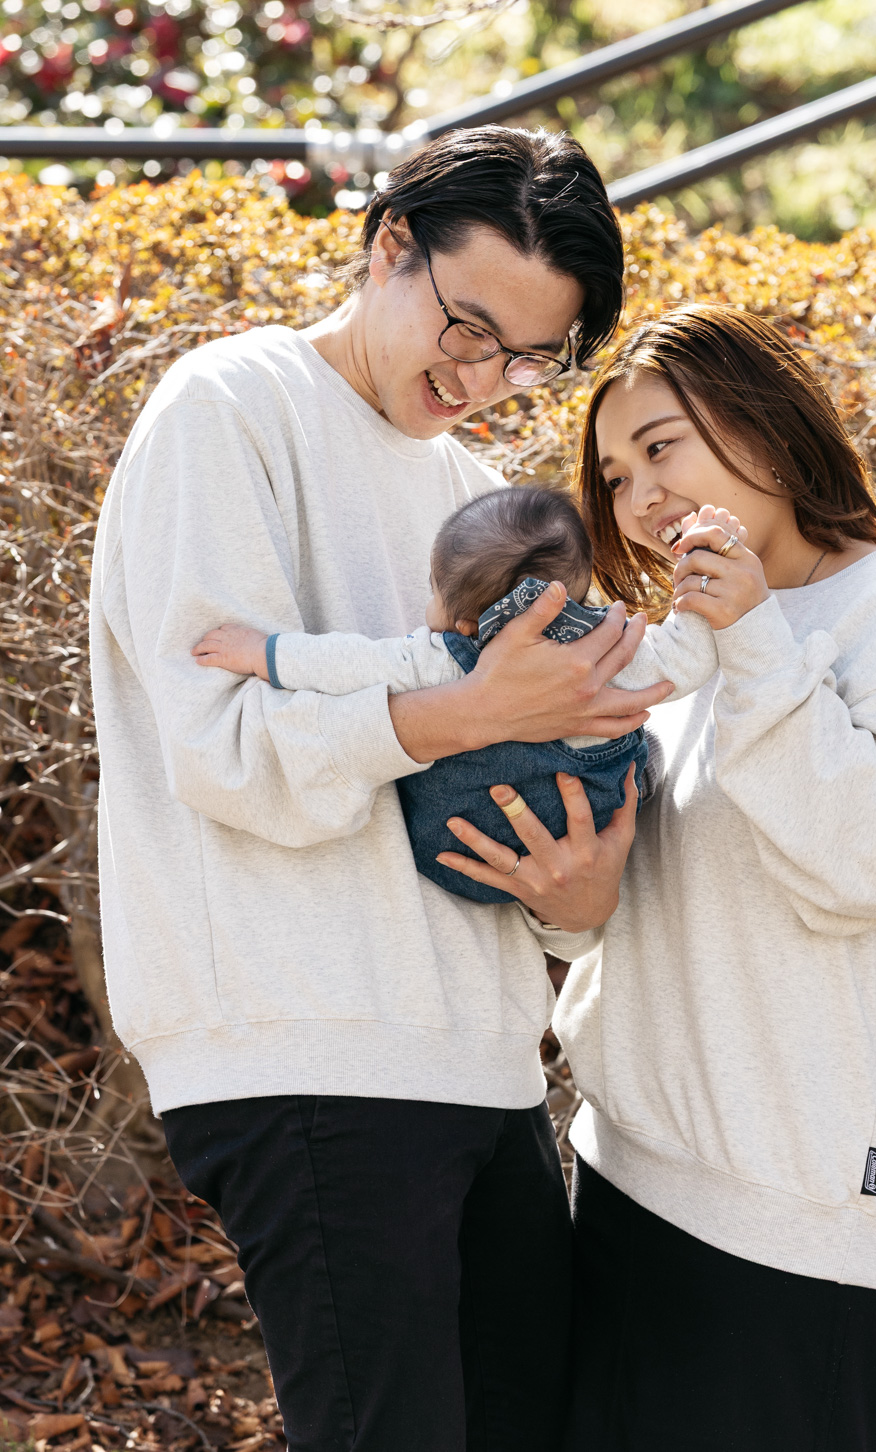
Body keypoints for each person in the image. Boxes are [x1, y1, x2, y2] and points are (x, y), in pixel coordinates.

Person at [89, 126, 675, 1452]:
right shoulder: (228, 407)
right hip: (306, 1050)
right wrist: (457, 711)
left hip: (486, 1068)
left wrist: (578, 902)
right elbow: (224, 750)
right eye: (468, 328)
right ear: (388, 245)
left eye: (531, 357)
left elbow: (518, 790)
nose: (482, 378)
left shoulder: (480, 498)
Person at [440, 305, 876, 1450]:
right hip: (622, 1173)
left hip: (793, 1223)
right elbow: (657, 907)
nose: (638, 495)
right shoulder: (688, 647)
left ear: (765, 426)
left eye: (662, 447)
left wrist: (751, 639)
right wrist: (576, 910)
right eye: (613, 475)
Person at [191, 483, 733, 901]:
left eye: (433, 590)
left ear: (465, 621)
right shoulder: (611, 648)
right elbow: (689, 659)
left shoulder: (438, 658)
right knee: (645, 749)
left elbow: (345, 663)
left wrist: (262, 652)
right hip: (570, 850)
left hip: (453, 849)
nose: (426, 605)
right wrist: (703, 569)